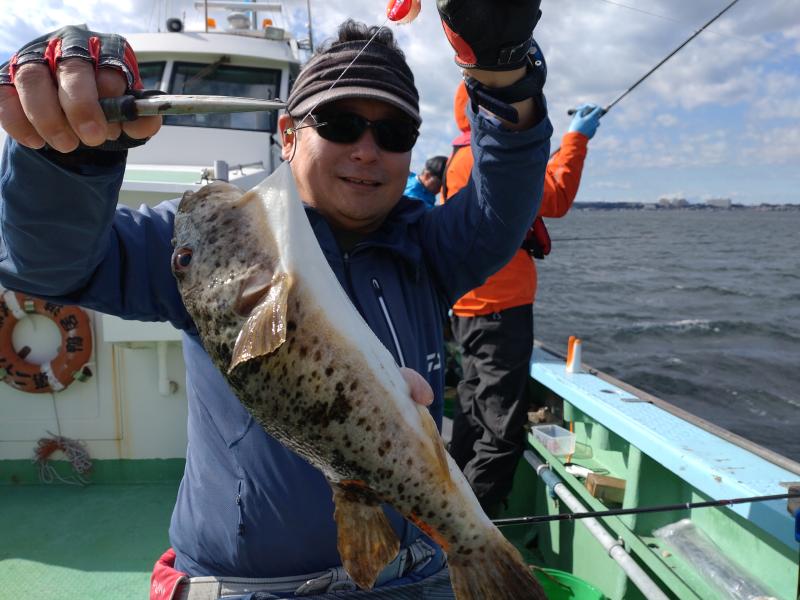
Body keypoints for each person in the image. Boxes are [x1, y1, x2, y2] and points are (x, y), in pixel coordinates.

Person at [0, 3, 552, 598]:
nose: (367, 150)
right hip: (243, 585)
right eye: (340, 124)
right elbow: (52, 264)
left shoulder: (426, 246)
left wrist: (503, 75)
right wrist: (67, 154)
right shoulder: (215, 249)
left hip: (412, 573)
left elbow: (503, 207)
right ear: (288, 134)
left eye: (393, 134)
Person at [443, 80, 603, 517]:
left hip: (469, 307)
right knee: (500, 427)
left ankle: (450, 501)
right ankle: (472, 529)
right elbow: (553, 197)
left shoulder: (463, 156)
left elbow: (522, 184)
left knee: (473, 407)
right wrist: (576, 139)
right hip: (499, 308)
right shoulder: (489, 157)